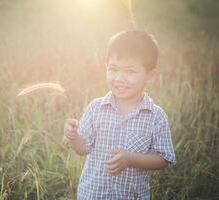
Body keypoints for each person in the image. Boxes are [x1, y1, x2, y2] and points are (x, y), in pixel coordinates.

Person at [64, 30, 176, 199]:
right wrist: (73, 137)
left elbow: (163, 158)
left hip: (131, 195)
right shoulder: (96, 108)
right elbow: (82, 149)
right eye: (113, 69)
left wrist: (130, 159)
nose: (119, 78)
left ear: (150, 76)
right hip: (92, 194)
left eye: (130, 71)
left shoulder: (156, 116)